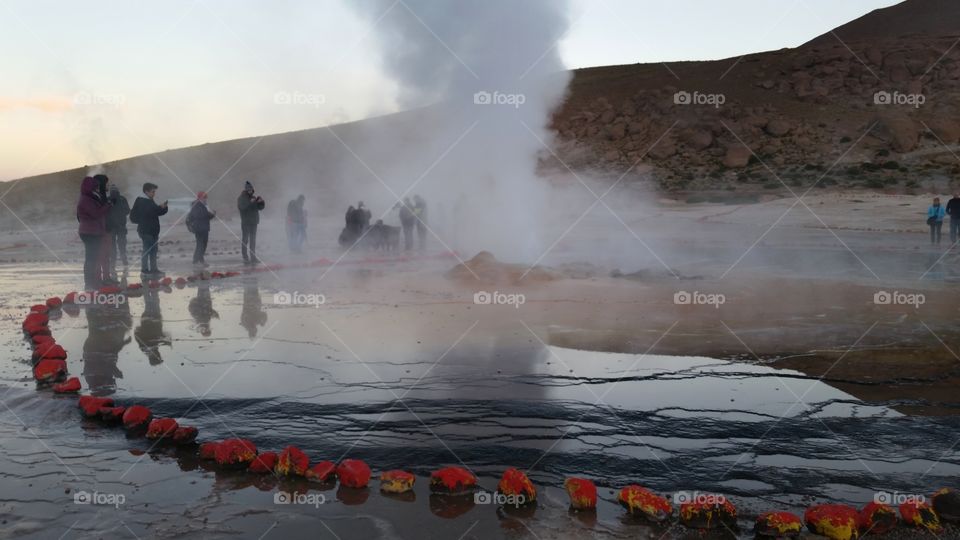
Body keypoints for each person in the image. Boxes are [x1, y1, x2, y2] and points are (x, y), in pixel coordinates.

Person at [76, 176, 111, 288]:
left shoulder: (90, 197)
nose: (97, 188)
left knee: (93, 258)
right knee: (91, 259)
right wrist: (108, 205)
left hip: (93, 231)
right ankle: (89, 283)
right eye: (95, 186)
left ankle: (92, 282)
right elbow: (96, 214)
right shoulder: (86, 199)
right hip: (90, 232)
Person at [129, 182, 169, 275]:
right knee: (147, 250)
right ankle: (145, 270)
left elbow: (155, 212)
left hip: (152, 230)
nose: (154, 193)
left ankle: (153, 269)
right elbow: (150, 212)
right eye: (152, 191)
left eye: (154, 191)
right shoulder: (142, 201)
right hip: (146, 230)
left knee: (153, 250)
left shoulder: (149, 200)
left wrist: (164, 208)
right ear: (146, 191)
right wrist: (160, 207)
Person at [237, 181, 265, 265]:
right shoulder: (241, 198)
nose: (250, 191)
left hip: (254, 222)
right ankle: (245, 257)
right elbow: (242, 208)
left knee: (253, 240)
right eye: (249, 189)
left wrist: (261, 202)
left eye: (251, 189)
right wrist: (250, 202)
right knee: (245, 240)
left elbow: (260, 208)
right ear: (246, 190)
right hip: (246, 222)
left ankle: (253, 257)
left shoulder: (253, 197)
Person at [186, 191, 216, 266]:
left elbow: (206, 217)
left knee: (204, 244)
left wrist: (213, 214)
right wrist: (208, 213)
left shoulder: (203, 206)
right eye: (204, 198)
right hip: (199, 228)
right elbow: (198, 216)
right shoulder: (196, 206)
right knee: (200, 245)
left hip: (204, 228)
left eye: (206, 198)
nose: (205, 199)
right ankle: (196, 260)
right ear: (199, 198)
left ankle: (200, 260)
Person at [106, 184, 130, 272]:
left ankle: (113, 263)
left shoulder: (107, 199)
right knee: (122, 244)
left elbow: (104, 212)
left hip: (111, 227)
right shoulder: (122, 199)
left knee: (112, 246)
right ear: (118, 191)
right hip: (121, 226)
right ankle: (124, 261)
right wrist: (121, 214)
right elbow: (127, 211)